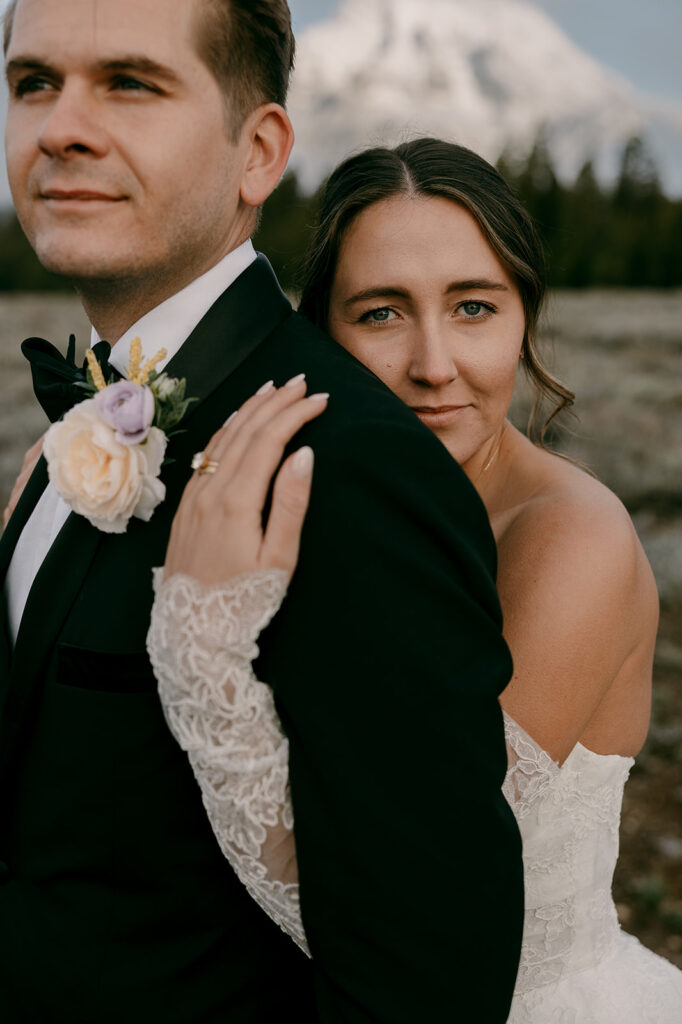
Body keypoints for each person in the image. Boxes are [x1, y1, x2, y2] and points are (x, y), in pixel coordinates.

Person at [0, 2, 522, 1021]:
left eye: (130, 83)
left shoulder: (351, 469)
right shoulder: (73, 436)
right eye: (32, 83)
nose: (61, 124)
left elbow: (430, 983)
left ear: (258, 152)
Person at [149, 139, 682, 1022]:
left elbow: (412, 904)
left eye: (474, 307)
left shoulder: (570, 541)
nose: (435, 366)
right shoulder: (306, 507)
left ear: (525, 319)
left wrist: (200, 653)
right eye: (383, 314)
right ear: (321, 334)